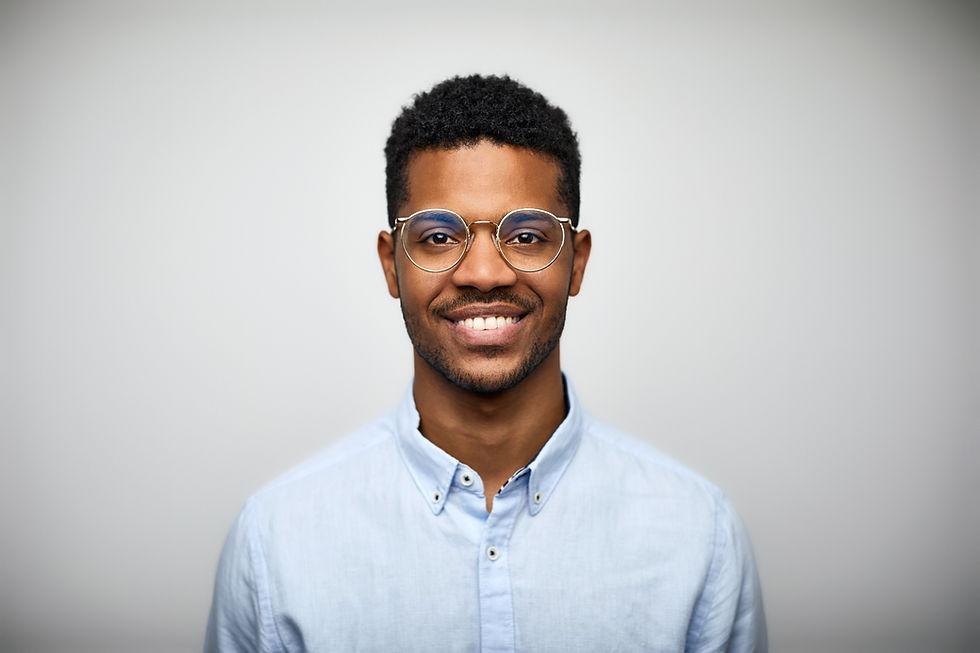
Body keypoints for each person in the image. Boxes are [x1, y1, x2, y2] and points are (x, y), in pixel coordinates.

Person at [205, 74, 767, 652]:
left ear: (576, 263)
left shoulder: (698, 534)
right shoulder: (276, 540)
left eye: (525, 236)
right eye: (438, 237)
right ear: (391, 264)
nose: (483, 273)